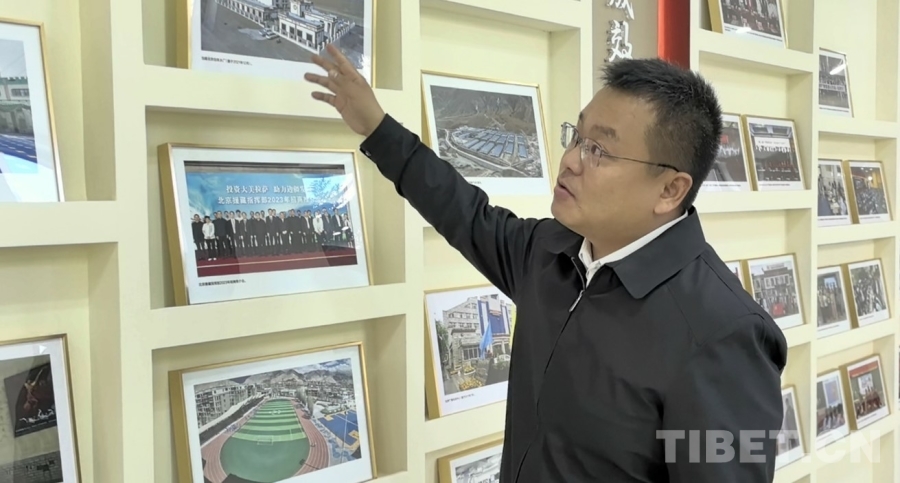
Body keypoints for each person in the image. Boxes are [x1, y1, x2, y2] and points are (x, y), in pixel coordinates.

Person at [304, 45, 788, 482]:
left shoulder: (722, 336)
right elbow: (464, 213)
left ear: (670, 190)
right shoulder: (551, 252)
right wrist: (377, 127)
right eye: (576, 137)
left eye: (599, 150)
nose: (571, 160)